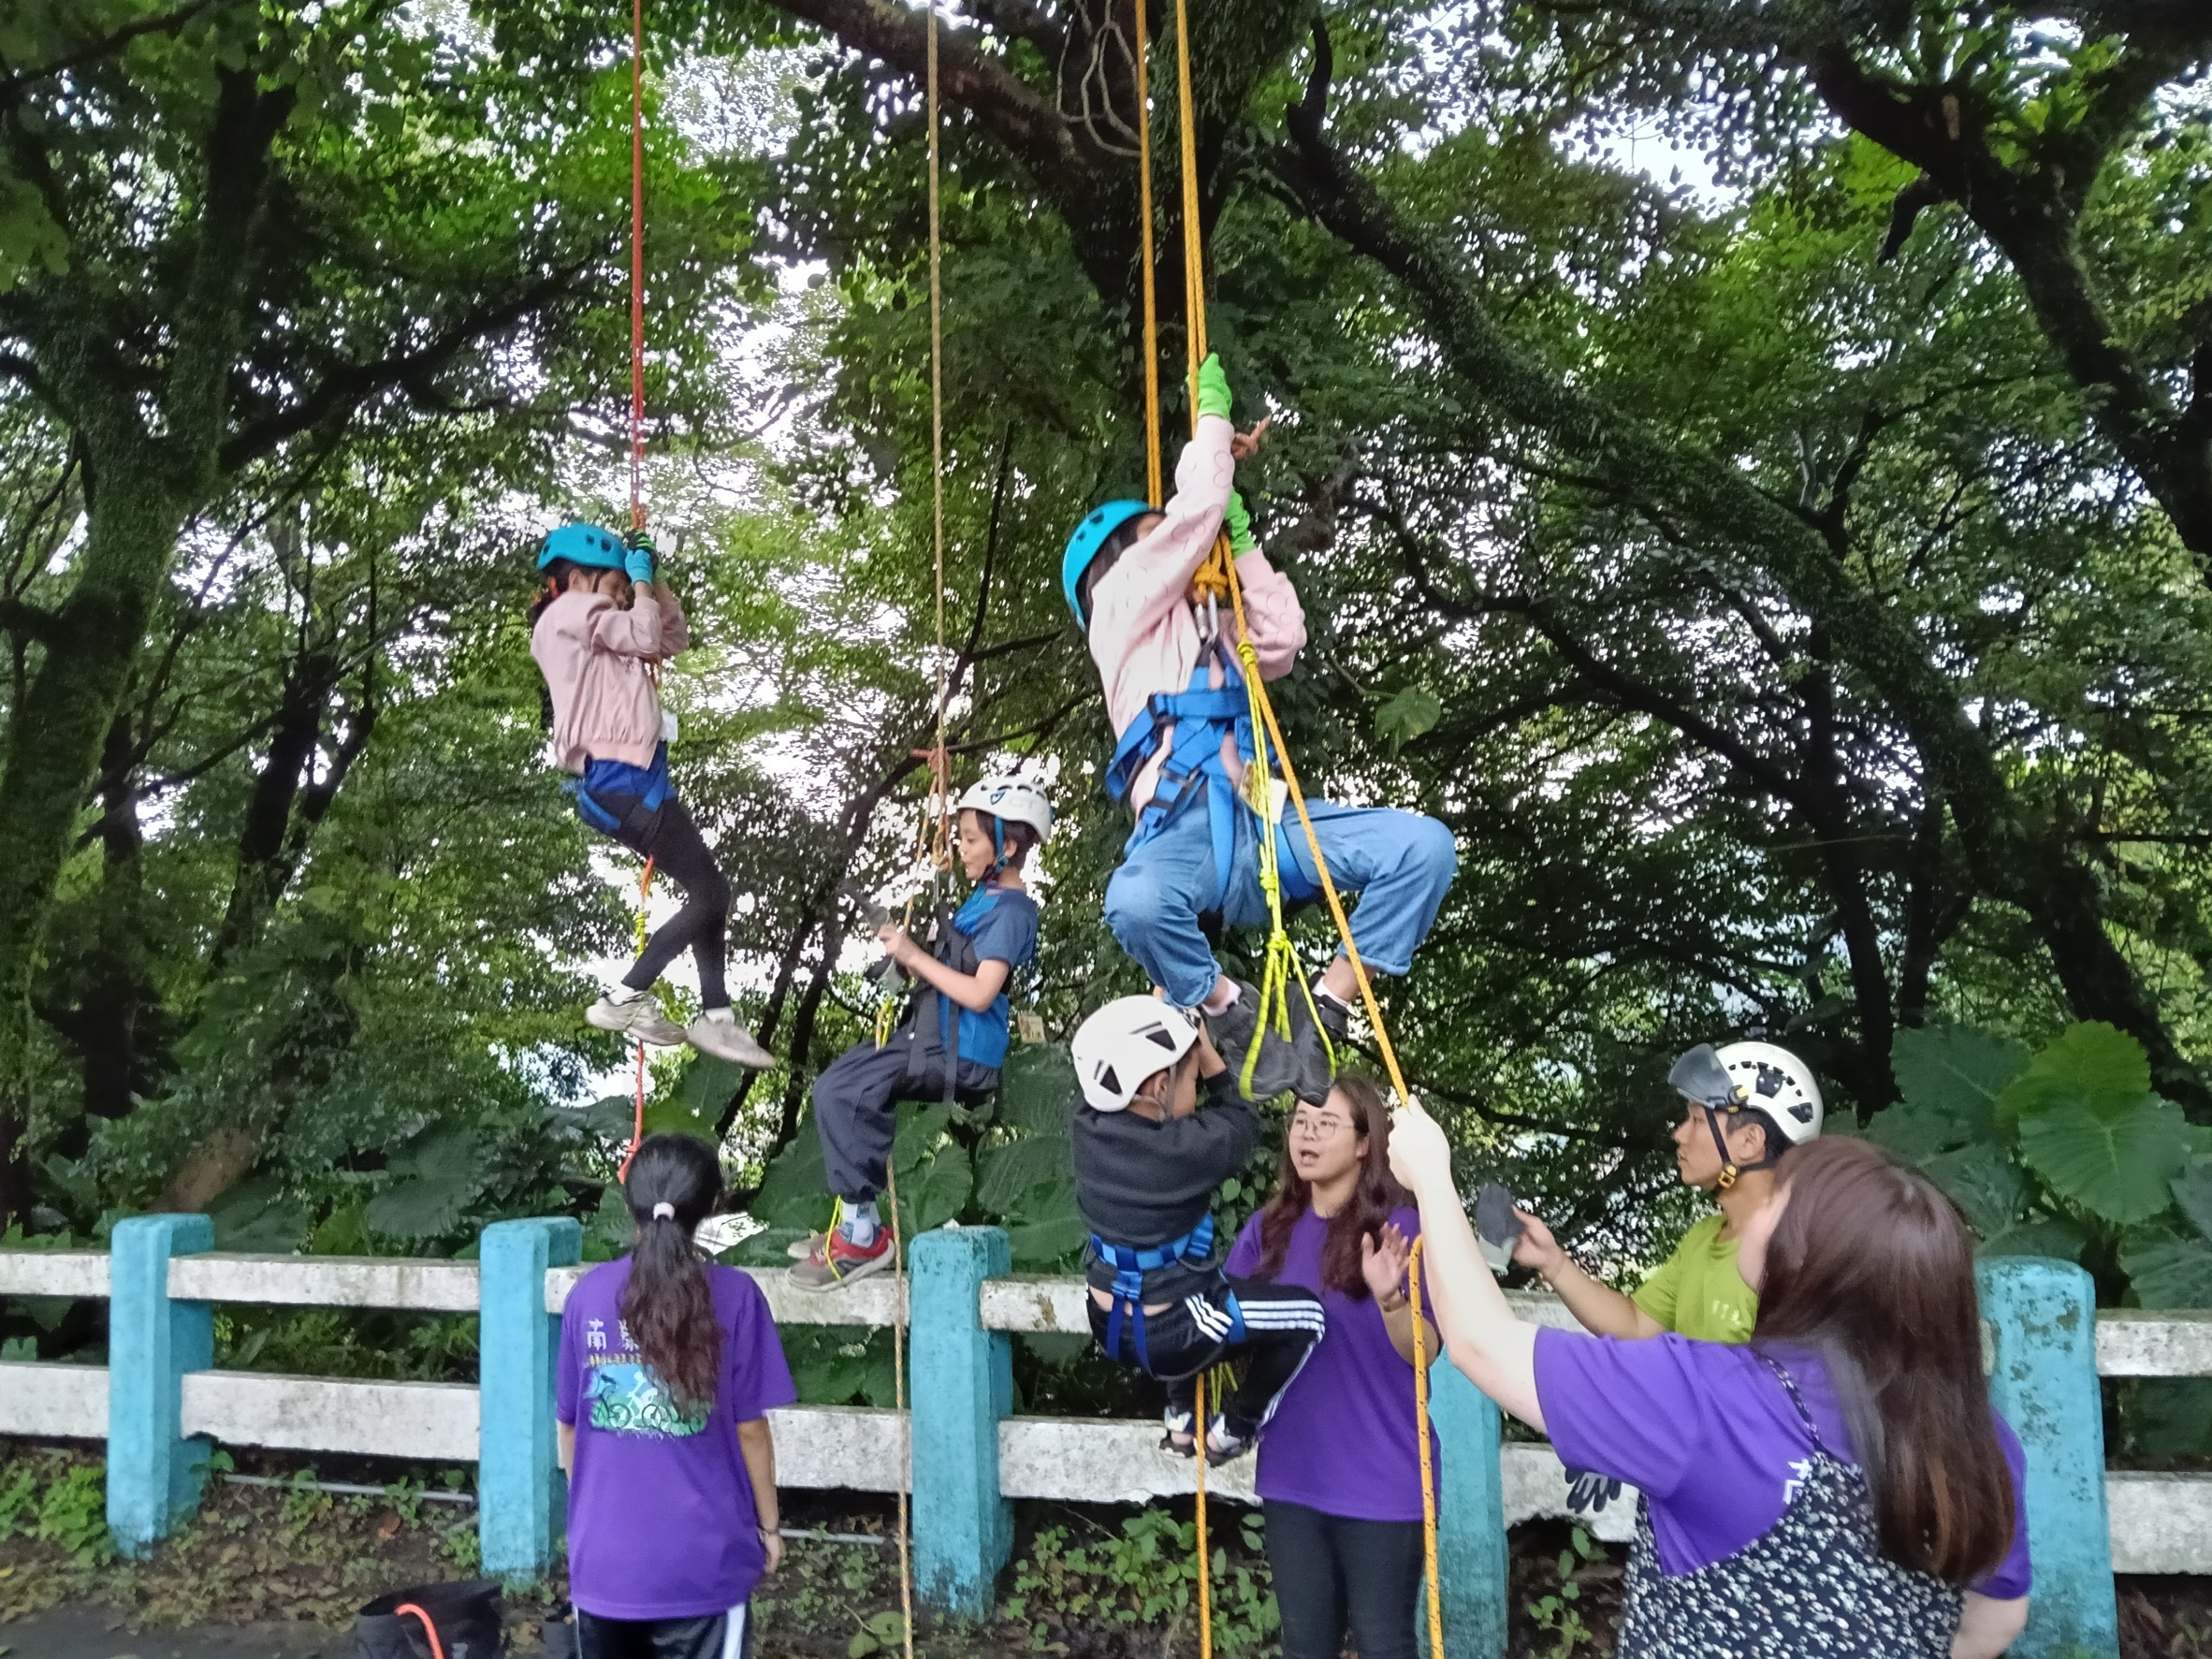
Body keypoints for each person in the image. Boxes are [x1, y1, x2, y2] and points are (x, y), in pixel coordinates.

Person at [1389, 1113, 2034, 1659]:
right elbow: (1997, 1618)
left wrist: (1431, 1177)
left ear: (1807, 1254)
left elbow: (1479, 1342)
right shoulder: (1983, 1440)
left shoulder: (1710, 1399)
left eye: (1778, 1200)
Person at [1061, 354, 1457, 1103]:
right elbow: (1193, 515)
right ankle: (1226, 1006)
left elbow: (1281, 641)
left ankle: (1328, 1003)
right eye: (1162, 539)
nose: (1185, 547)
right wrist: (1211, 426)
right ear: (1120, 558)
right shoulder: (1117, 609)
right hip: (1182, 832)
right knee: (1135, 902)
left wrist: (1241, 546)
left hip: (1264, 820)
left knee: (1423, 848)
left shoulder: (1212, 621)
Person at [530, 522, 774, 1070]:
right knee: (711, 893)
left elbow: (668, 640)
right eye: (615, 587)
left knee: (709, 888)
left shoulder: (596, 632)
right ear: (576, 579)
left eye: (622, 591)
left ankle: (717, 1018)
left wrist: (652, 582)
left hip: (631, 778)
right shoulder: (569, 614)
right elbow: (642, 635)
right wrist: (638, 586)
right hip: (623, 777)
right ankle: (625, 998)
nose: (621, 598)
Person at [791, 778, 1050, 1290]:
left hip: (961, 1052)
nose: (962, 847)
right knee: (840, 1084)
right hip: (929, 1037)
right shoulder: (983, 899)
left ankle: (862, 1235)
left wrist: (913, 956)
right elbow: (945, 967)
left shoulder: (1014, 912)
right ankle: (854, 1224)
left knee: (846, 1091)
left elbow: (979, 994)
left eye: (972, 839)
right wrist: (907, 959)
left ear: (1009, 846)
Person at [1223, 1073, 1441, 1659]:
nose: (1308, 1135)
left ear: (1366, 1143)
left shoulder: (1404, 1228)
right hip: (1293, 1473)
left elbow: (1425, 1350)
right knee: (1305, 1644)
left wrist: (1392, 1298)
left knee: (1383, 1641)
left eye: (1326, 1123)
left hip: (1385, 1476)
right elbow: (1222, 1324)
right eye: (1300, 1122)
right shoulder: (1269, 1229)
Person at [557, 1133, 796, 1659]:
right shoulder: (737, 1297)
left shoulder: (587, 1297)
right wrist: (769, 1527)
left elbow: (569, 1427)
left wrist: (599, 1522)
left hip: (602, 1564)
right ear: (713, 1204)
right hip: (701, 1566)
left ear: (630, 1199)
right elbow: (751, 1430)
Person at [1069, 995, 1327, 1464]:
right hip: (1176, 1332)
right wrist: (1206, 1051)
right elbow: (1243, 1116)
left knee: (1181, 1275)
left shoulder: (1084, 1128)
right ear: (1160, 1084)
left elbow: (1110, 1078)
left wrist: (1155, 1016)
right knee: (1307, 1317)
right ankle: (1237, 1426)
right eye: (1188, 1079)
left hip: (1106, 1323)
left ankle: (1181, 1420)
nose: (1197, 1088)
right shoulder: (1186, 1152)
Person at [1513, 1041, 1826, 1346]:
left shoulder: (1792, 1261)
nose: (1679, 1134)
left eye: (1697, 1120)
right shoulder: (1703, 1239)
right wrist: (1552, 1262)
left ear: (1749, 1142)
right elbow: (1635, 1324)